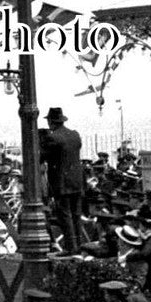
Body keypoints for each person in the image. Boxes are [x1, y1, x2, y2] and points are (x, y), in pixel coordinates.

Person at [40, 108, 84, 254]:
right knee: (76, 214)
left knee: (65, 215)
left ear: (50, 122)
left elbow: (40, 157)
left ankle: (70, 247)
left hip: (62, 182)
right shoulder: (75, 135)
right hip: (77, 181)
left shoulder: (53, 138)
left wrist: (41, 142)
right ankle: (79, 246)